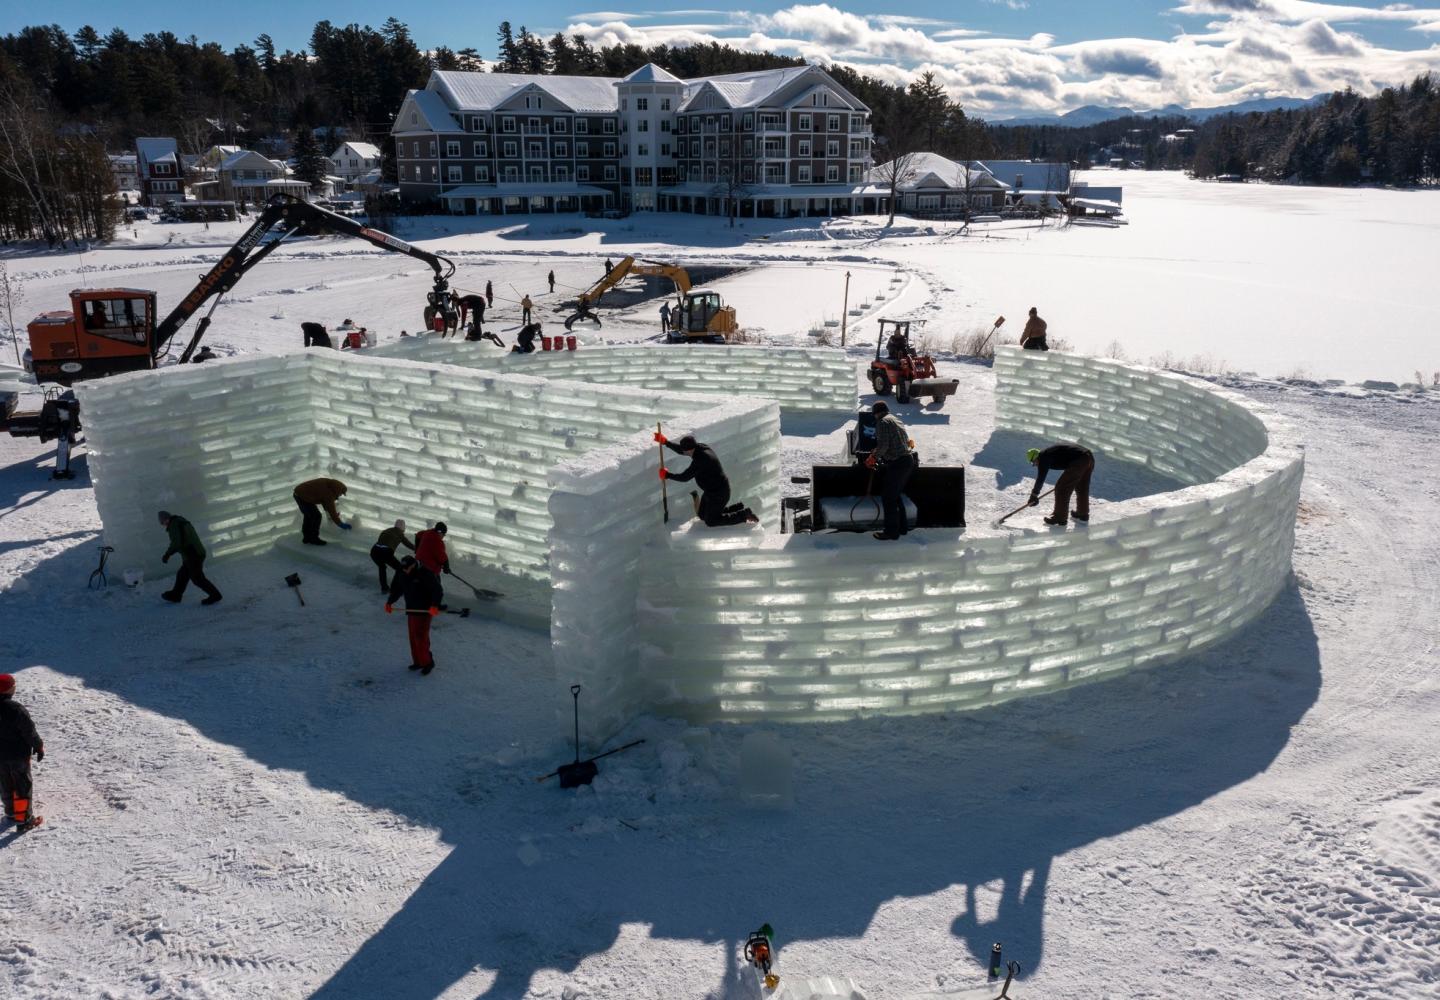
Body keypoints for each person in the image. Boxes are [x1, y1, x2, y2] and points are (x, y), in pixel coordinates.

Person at [656, 434, 759, 527]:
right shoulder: (700, 447)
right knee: (702, 515)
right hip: (711, 491)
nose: (684, 452)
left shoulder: (701, 460)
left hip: (719, 493)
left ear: (689, 450)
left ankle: (744, 514)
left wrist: (668, 475)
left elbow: (684, 477)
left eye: (685, 451)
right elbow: (682, 450)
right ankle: (737, 508)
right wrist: (666, 442)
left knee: (711, 521)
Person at [865, 401, 918, 540]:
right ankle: (902, 528)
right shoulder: (896, 420)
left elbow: (884, 445)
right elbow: (895, 442)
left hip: (898, 463)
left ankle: (891, 532)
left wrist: (873, 457)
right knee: (894, 495)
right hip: (907, 460)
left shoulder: (882, 422)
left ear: (876, 413)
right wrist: (877, 452)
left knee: (888, 497)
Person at [0, 674, 44, 833]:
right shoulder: (16, 709)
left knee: (5, 784)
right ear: (9, 689)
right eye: (13, 685)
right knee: (22, 786)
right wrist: (39, 746)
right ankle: (24, 820)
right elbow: (29, 732)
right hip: (18, 755)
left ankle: (11, 813)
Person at [385, 557, 443, 675]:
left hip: (425, 611)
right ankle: (418, 661)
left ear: (414, 565)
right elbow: (398, 590)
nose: (405, 571)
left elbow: (437, 590)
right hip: (412, 609)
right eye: (403, 568)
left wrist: (435, 605)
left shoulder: (425, 574)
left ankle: (428, 662)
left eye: (407, 568)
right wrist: (390, 602)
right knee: (413, 637)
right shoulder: (403, 574)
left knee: (421, 637)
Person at [158, 510, 223, 605]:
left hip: (193, 554)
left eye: (162, 523)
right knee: (182, 574)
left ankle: (215, 595)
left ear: (165, 520)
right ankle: (176, 595)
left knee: (197, 578)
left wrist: (167, 554)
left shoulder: (174, 525)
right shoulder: (179, 521)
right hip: (192, 553)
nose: (164, 525)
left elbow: (177, 543)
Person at [1026, 443, 1094, 526]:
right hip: (1088, 457)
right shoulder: (1048, 454)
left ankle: (1060, 517)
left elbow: (1041, 478)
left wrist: (1034, 494)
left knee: (1061, 489)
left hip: (1080, 460)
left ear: (1035, 457)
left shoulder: (1043, 457)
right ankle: (1082, 514)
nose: (1035, 465)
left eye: (1033, 462)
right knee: (1082, 487)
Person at [293, 478, 352, 545]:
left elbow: (323, 500)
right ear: (338, 490)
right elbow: (331, 509)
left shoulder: (329, 484)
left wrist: (329, 510)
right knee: (317, 516)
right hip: (302, 496)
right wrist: (340, 524)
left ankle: (307, 537)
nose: (340, 495)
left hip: (299, 494)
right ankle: (314, 539)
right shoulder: (328, 493)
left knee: (309, 516)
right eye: (341, 494)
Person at [369, 519, 414, 593]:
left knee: (382, 567)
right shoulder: (400, 534)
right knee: (400, 569)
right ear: (403, 527)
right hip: (386, 552)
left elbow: (380, 540)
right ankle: (399, 588)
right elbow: (408, 544)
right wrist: (418, 549)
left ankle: (384, 588)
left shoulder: (387, 530)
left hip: (374, 551)